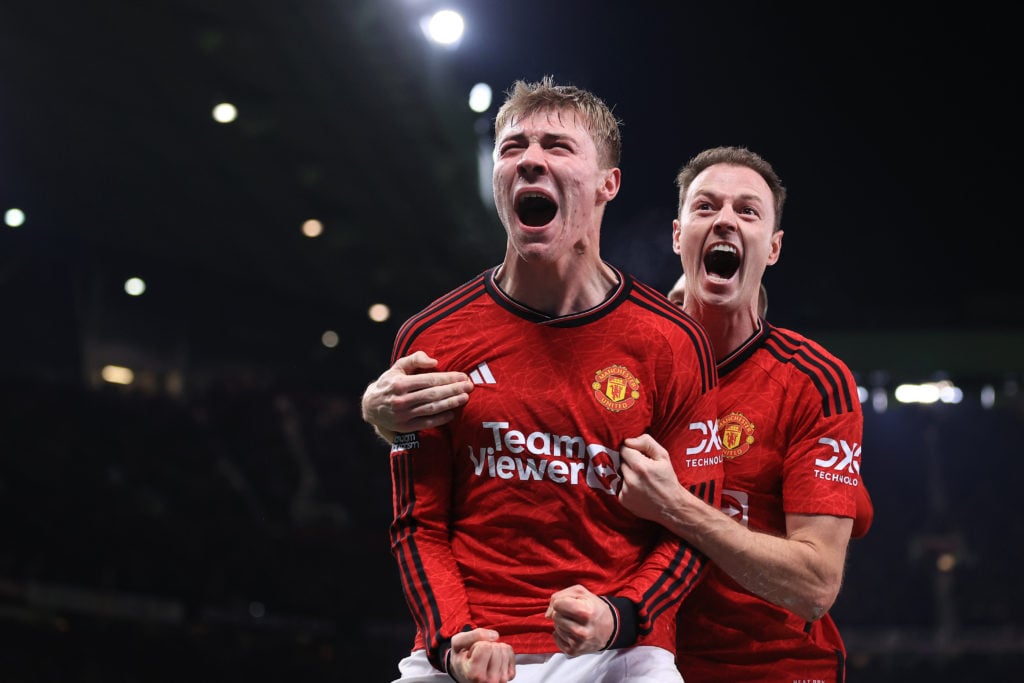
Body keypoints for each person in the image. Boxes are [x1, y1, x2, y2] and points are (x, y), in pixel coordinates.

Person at [363, 145, 873, 682]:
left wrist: (676, 505)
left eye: (747, 211)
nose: (724, 220)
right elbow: (514, 438)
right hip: (623, 652)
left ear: (772, 248)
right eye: (705, 207)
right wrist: (386, 418)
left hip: (766, 666)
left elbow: (815, 587)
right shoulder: (634, 344)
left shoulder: (812, 381)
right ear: (678, 236)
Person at [374, 76, 723, 683]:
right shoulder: (433, 338)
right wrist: (451, 642)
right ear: (498, 181)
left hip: (622, 650)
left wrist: (621, 616)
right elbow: (417, 524)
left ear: (607, 184)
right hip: (468, 641)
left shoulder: (674, 342)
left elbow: (696, 524)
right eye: (513, 148)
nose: (530, 159)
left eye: (557, 146)